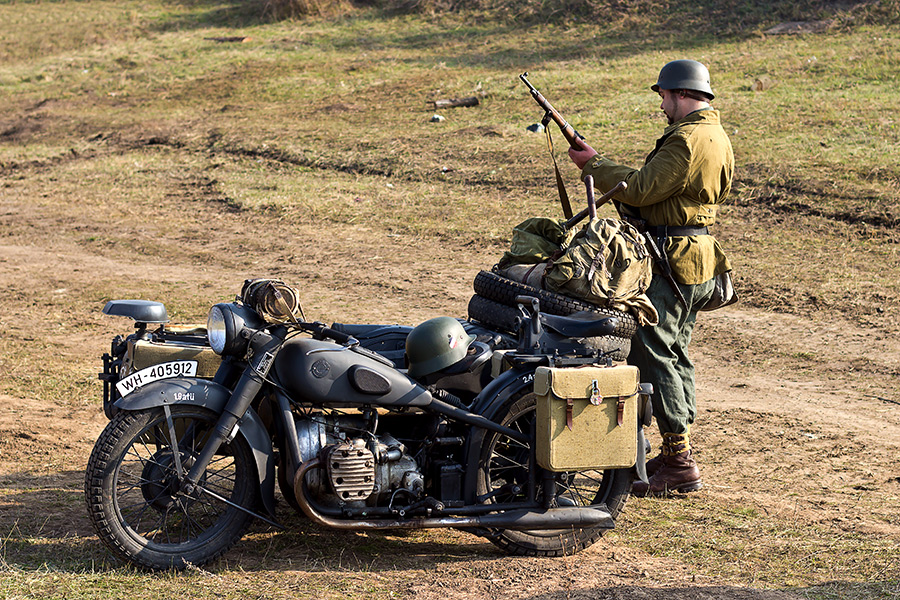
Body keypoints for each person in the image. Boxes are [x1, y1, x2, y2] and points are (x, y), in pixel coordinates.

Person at [568, 59, 734, 497]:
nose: (661, 103)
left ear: (680, 94)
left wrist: (594, 165)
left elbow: (640, 189)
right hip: (695, 258)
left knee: (654, 351)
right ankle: (676, 449)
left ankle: (679, 460)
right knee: (674, 352)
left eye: (663, 95)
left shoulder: (687, 139)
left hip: (672, 260)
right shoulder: (716, 135)